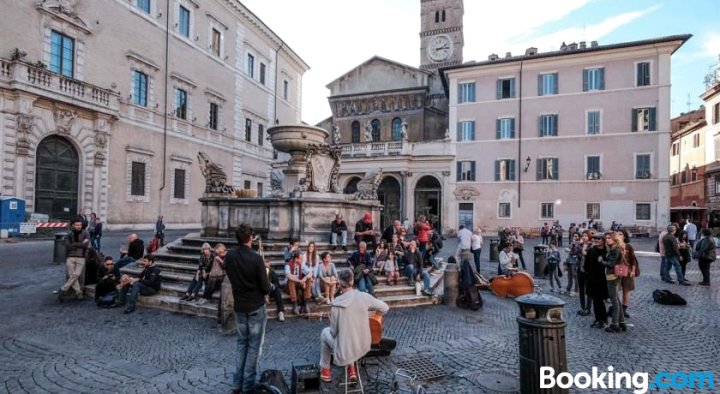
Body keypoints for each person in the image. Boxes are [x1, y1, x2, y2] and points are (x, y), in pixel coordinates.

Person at [319, 269, 389, 383]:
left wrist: (333, 320)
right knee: (349, 333)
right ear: (352, 281)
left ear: (339, 284)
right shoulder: (364, 297)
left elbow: (333, 333)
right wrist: (370, 316)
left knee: (325, 333)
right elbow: (385, 308)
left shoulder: (336, 304)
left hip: (345, 351)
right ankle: (352, 369)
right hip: (363, 346)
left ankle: (326, 371)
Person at [224, 224, 271, 393]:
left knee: (241, 344)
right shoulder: (256, 258)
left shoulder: (229, 256)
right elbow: (266, 288)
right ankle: (248, 385)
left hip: (239, 306)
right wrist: (269, 283)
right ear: (250, 237)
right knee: (254, 347)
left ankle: (237, 384)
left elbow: (229, 273)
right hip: (255, 306)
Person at [58, 219, 90, 301]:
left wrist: (75, 244)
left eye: (80, 225)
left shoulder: (86, 233)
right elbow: (68, 246)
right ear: (73, 225)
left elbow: (85, 245)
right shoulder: (69, 234)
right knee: (73, 275)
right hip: (70, 257)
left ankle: (63, 289)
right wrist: (80, 244)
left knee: (76, 274)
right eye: (77, 225)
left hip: (81, 257)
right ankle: (79, 292)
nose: (79, 226)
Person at [603, 232, 626, 333]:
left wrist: (601, 261)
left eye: (609, 238)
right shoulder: (615, 249)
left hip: (612, 276)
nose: (607, 240)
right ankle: (621, 322)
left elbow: (610, 264)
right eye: (606, 238)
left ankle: (614, 324)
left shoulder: (615, 250)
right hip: (614, 276)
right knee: (617, 300)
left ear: (615, 239)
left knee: (614, 301)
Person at [586, 233, 608, 329]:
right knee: (595, 300)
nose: (596, 240)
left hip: (603, 279)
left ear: (603, 240)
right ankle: (597, 319)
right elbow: (586, 264)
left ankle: (603, 319)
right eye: (595, 239)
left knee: (600, 300)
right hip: (592, 278)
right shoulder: (591, 251)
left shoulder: (607, 251)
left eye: (599, 239)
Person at [285, 250, 313, 315]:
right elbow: (289, 275)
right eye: (301, 259)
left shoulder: (301, 264)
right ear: (296, 259)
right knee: (291, 280)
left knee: (308, 278)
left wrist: (304, 279)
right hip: (289, 286)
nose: (302, 260)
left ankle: (306, 302)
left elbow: (310, 273)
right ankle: (295, 304)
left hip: (299, 284)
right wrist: (300, 281)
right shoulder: (288, 265)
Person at [619, 230, 639, 318]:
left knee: (626, 291)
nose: (618, 235)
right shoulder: (613, 246)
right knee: (617, 291)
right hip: (617, 271)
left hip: (627, 271)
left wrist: (633, 271)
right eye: (617, 234)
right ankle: (618, 308)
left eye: (620, 234)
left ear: (624, 236)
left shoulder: (628, 246)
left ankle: (624, 309)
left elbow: (633, 259)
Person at [265, 257, 285, 322]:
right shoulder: (259, 272)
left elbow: (277, 283)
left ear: (269, 264)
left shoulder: (272, 272)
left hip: (270, 291)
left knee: (278, 291)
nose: (266, 264)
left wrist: (273, 285)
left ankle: (281, 312)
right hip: (262, 291)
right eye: (265, 262)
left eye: (268, 263)